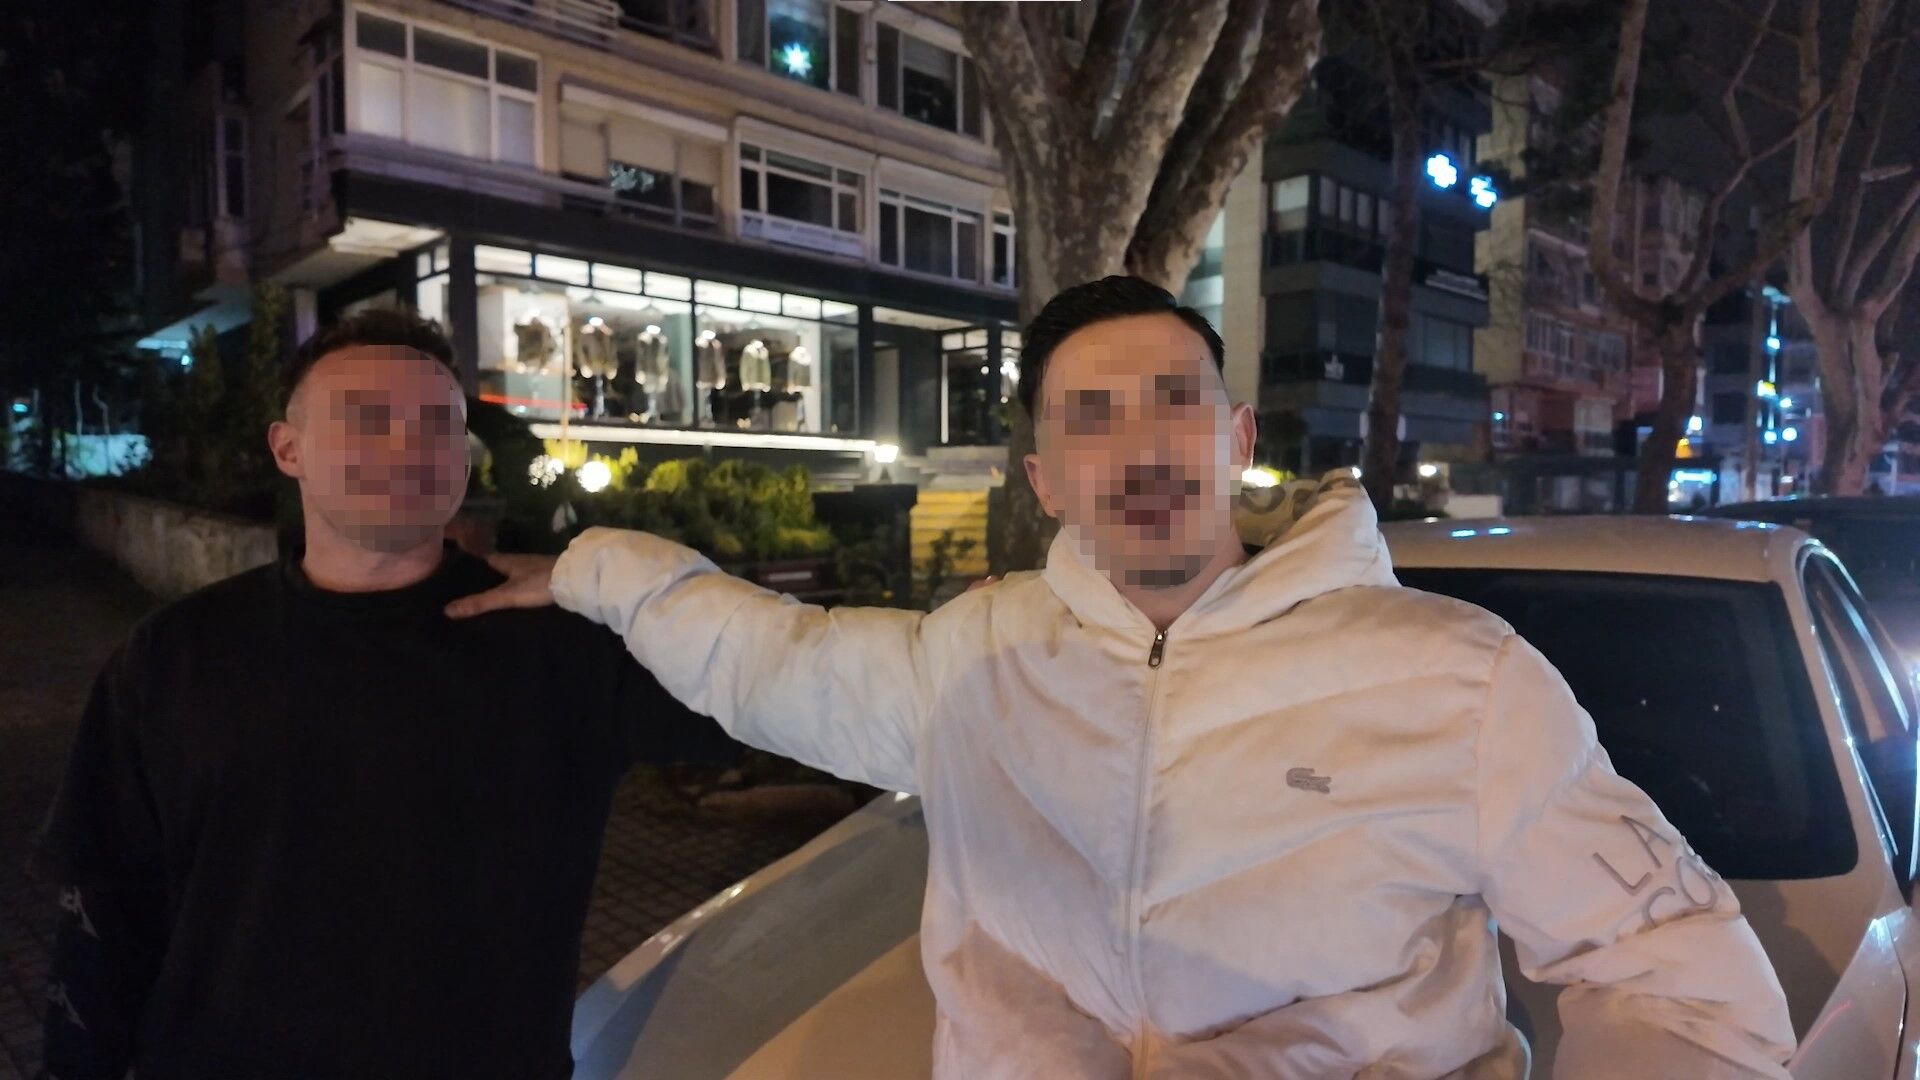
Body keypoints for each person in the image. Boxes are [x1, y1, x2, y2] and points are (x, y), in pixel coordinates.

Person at [449, 277, 1795, 1078]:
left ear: (1237, 436)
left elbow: (1679, 979)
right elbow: (770, 660)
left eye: (1172, 400)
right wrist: (595, 569)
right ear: (1045, 480)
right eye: (1090, 418)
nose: (1140, 447)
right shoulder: (977, 659)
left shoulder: (1457, 678)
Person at [35, 309, 735, 1079]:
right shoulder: (177, 654)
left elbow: (793, 699)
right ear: (289, 449)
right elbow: (105, 907)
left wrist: (630, 586)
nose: (409, 447)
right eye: (367, 420)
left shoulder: (566, 642)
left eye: (439, 425)